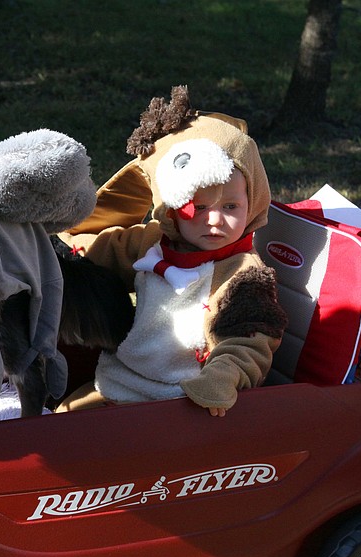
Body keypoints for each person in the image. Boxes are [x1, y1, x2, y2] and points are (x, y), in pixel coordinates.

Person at [56, 86, 288, 417]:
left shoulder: (242, 274)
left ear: (254, 203)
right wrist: (57, 260)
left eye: (232, 205)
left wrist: (221, 378)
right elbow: (99, 252)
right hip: (117, 381)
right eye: (199, 206)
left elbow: (249, 340)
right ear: (171, 206)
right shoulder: (152, 240)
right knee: (55, 421)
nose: (216, 220)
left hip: (180, 402)